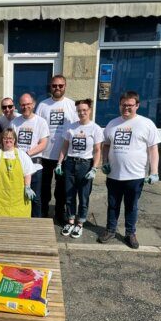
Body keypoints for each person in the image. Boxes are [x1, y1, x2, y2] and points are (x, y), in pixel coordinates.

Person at [99, 91, 161, 249]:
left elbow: (153, 150)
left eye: (130, 105)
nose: (126, 108)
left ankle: (130, 233)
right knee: (113, 205)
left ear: (137, 106)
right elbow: (105, 145)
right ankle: (111, 230)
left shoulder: (146, 124)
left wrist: (154, 172)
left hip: (135, 175)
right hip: (114, 174)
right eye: (123, 105)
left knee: (131, 206)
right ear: (120, 105)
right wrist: (104, 162)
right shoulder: (112, 124)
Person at [56, 99, 103, 238]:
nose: (82, 112)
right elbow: (64, 147)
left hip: (85, 164)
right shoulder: (71, 127)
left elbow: (97, 150)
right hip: (70, 163)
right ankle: (70, 221)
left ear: (89, 110)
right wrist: (59, 163)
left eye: (84, 110)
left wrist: (94, 168)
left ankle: (80, 223)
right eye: (79, 110)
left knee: (83, 196)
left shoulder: (95, 128)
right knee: (69, 195)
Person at [36, 75, 78, 222]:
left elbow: (78, 128)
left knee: (61, 189)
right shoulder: (43, 105)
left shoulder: (72, 105)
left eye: (60, 85)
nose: (57, 88)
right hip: (45, 154)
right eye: (54, 85)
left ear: (65, 86)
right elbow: (37, 128)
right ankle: (43, 211)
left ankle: (59, 213)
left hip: (64, 156)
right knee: (44, 187)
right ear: (50, 87)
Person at [0, 128, 36, 217]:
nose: (8, 140)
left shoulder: (22, 155)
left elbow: (27, 173)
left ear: (14, 140)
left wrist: (28, 187)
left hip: (19, 199)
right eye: (5, 138)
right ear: (2, 140)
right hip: (0, 199)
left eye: (10, 138)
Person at [11, 93, 50, 218]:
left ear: (33, 105)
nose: (25, 107)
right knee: (19, 194)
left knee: (35, 197)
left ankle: (36, 222)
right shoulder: (15, 122)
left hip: (35, 165)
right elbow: (12, 142)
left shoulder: (41, 122)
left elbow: (43, 143)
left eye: (28, 104)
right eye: (22, 104)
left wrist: (27, 154)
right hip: (18, 165)